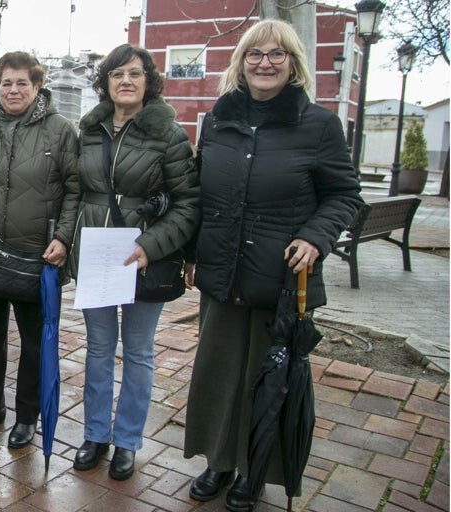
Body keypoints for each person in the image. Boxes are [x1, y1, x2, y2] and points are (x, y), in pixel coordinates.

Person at [182, 19, 362, 511]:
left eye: (276, 55)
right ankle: (219, 460)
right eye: (255, 54)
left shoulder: (319, 125)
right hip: (222, 273)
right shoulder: (218, 118)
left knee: (266, 378)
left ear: (293, 63)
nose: (265, 63)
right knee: (218, 373)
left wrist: (315, 236)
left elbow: (344, 194)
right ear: (241, 62)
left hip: (280, 279)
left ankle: (252, 469)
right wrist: (192, 252)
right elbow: (201, 192)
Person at [69, 44, 199, 479]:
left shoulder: (169, 134)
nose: (125, 81)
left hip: (143, 257)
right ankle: (95, 435)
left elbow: (188, 204)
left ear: (149, 81)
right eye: (116, 73)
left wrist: (152, 245)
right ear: (105, 82)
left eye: (135, 74)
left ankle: (126, 440)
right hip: (96, 256)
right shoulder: (88, 130)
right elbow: (75, 191)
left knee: (139, 352)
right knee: (99, 350)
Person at [0, 51, 78, 448]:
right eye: (6, 82)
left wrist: (63, 237)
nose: (13, 89)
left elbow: (75, 189)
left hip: (36, 254)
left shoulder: (59, 130)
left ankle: (27, 416)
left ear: (37, 86)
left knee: (33, 341)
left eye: (22, 82)